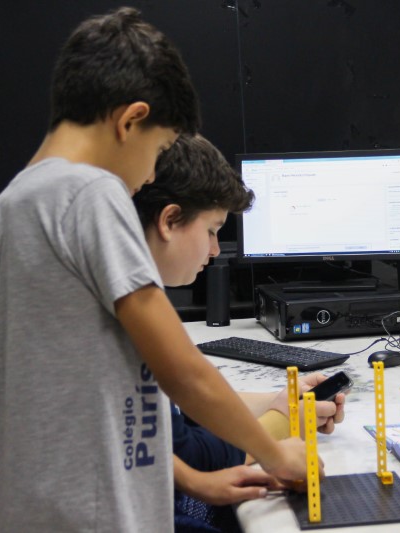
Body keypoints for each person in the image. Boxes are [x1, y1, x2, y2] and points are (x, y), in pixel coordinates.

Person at [0, 8, 308, 532]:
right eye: (159, 148)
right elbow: (182, 371)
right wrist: (276, 454)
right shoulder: (89, 192)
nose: (150, 175)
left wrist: (194, 481)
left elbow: (80, 402)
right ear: (129, 121)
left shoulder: (6, 211)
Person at [131, 134, 347, 531]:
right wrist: (277, 434)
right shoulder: (132, 308)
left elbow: (179, 411)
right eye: (212, 231)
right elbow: (188, 452)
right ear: (169, 220)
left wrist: (278, 403)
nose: (215, 250)